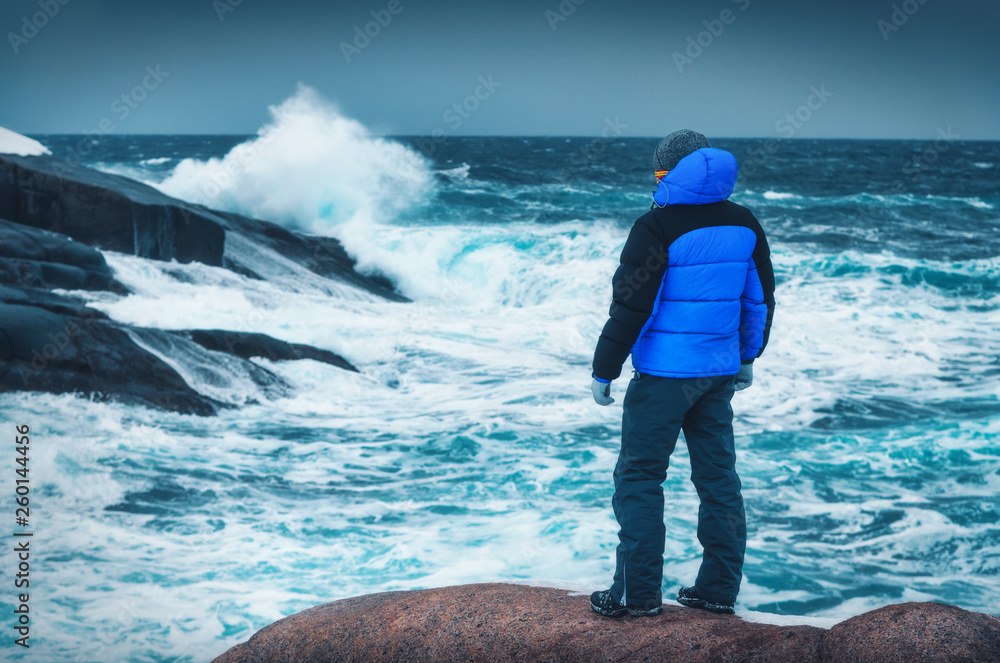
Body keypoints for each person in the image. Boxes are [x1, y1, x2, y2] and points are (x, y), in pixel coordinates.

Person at [588, 130, 775, 617]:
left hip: (664, 378)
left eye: (659, 173)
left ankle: (636, 595)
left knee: (640, 478)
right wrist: (748, 357)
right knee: (718, 480)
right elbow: (758, 300)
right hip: (715, 375)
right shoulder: (745, 222)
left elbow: (631, 305)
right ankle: (717, 591)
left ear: (670, 172)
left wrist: (604, 368)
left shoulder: (657, 226)